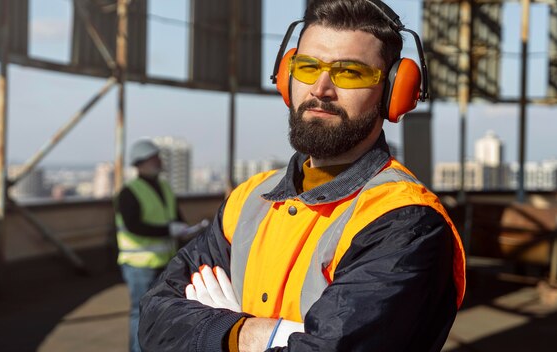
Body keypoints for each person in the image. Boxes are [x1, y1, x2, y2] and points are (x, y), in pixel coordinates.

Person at [139, 1, 466, 351]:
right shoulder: (248, 200)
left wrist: (221, 331)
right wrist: (253, 335)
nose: (320, 89)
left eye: (350, 72)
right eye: (307, 67)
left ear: (392, 93)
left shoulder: (405, 222)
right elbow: (155, 318)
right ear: (286, 77)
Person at [115, 138, 189, 352]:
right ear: (140, 162)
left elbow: (175, 217)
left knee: (163, 311)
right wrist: (169, 230)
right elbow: (133, 226)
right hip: (139, 265)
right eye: (153, 157)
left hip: (165, 261)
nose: (158, 161)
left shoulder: (164, 187)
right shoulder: (129, 191)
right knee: (140, 312)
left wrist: (184, 230)